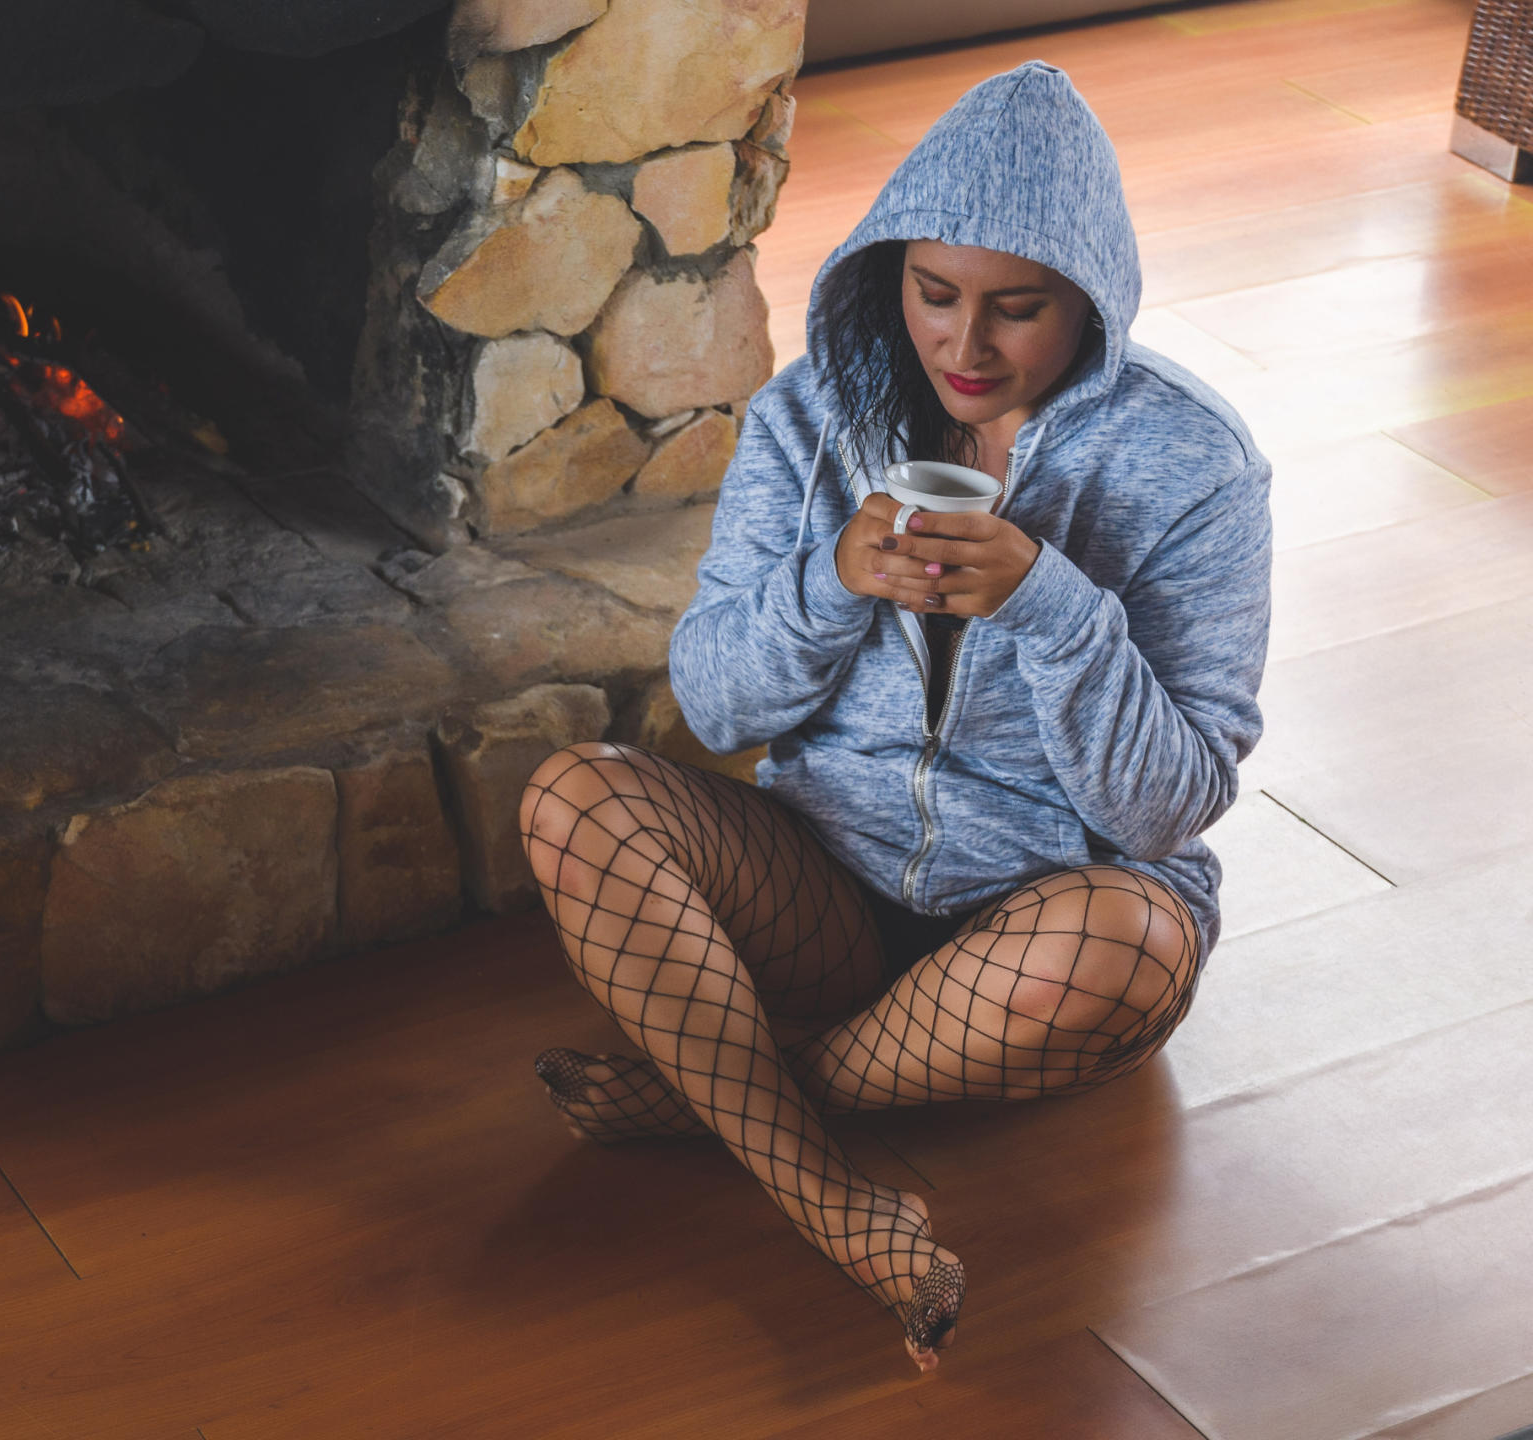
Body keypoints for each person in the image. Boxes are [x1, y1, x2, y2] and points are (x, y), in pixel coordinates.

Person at [518, 60, 1271, 1371]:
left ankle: (717, 1088)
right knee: (572, 798)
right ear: (891, 275)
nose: (965, 348)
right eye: (934, 294)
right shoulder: (809, 415)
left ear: (1091, 302)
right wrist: (831, 582)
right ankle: (832, 1199)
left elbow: (1170, 807)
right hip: (825, 889)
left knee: (1133, 945)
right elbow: (715, 705)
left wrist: (1052, 606)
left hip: (1043, 921)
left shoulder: (1196, 463)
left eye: (1017, 310)